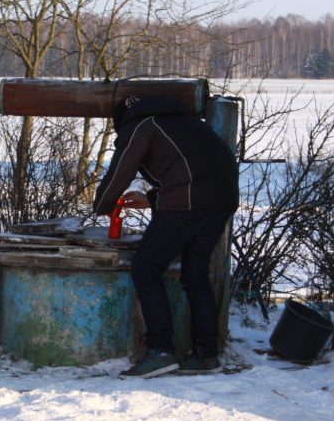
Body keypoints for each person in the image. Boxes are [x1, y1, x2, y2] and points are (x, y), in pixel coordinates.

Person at [94, 94, 238, 379]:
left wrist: (103, 205)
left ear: (122, 119)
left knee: (146, 268)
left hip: (187, 204)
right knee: (195, 274)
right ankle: (206, 355)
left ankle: (161, 352)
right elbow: (193, 170)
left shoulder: (143, 125)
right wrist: (152, 198)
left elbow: (120, 171)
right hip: (223, 200)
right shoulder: (186, 122)